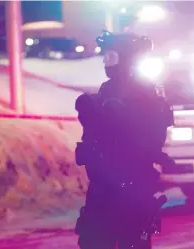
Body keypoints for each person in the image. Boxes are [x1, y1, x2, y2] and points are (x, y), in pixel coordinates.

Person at [74, 31, 175, 249]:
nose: (106, 63)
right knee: (94, 239)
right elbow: (96, 134)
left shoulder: (148, 95)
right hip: (103, 184)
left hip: (133, 185)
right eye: (105, 57)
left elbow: (151, 140)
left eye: (111, 57)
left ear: (127, 59)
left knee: (133, 239)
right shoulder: (107, 90)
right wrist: (90, 113)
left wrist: (119, 118)